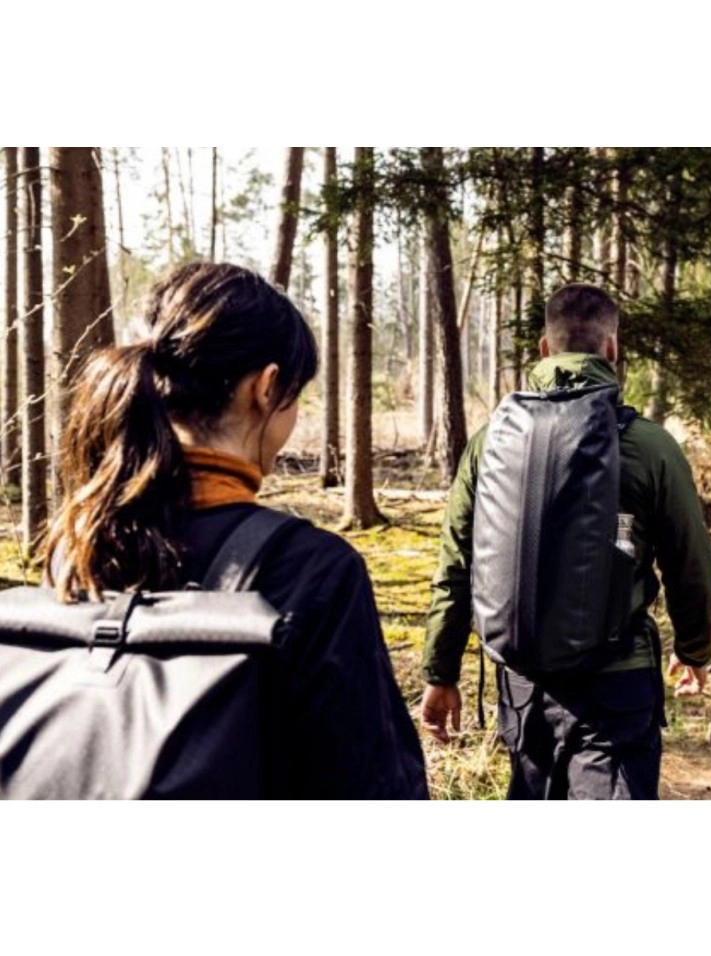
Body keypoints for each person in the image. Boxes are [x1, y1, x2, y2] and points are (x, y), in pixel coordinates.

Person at [45, 261, 428, 800]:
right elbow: (373, 787)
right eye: (295, 395)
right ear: (266, 388)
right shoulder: (314, 569)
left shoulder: (76, 548)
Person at [420, 283, 711, 800]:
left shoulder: (490, 443)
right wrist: (694, 648)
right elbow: (690, 562)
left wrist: (441, 672)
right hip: (617, 684)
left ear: (543, 349)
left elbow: (457, 567)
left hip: (523, 686)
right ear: (611, 348)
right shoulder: (650, 446)